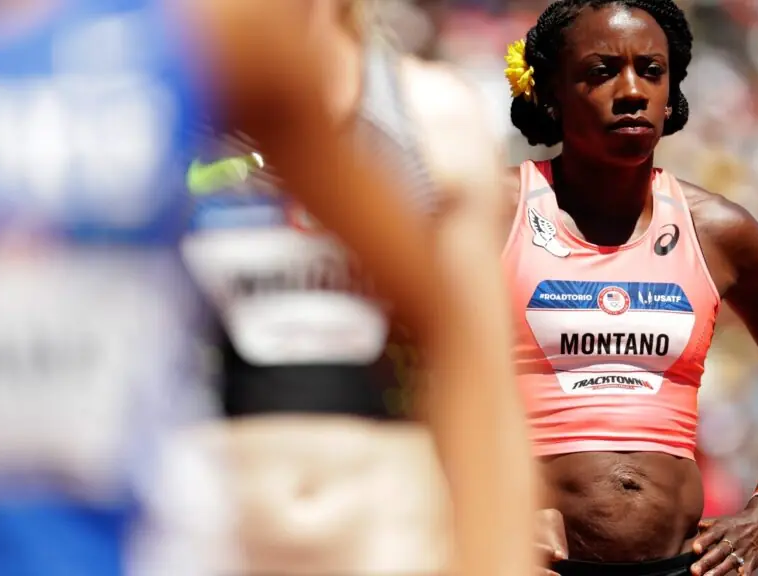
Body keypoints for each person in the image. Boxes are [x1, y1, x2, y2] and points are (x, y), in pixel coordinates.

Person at [0, 0, 533, 575]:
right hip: (203, 519)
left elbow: (462, 335)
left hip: (379, 527)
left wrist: (491, 557)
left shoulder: (197, 42)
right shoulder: (193, 50)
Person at [180, 0, 536, 574]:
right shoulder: (148, 113)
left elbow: (485, 391)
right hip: (207, 540)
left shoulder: (432, 115)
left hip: (388, 543)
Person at [500, 1, 758, 575]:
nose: (632, 91)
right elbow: (403, 365)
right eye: (602, 71)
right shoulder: (495, 212)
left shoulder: (719, 232)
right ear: (551, 93)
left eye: (651, 71)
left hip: (681, 566)